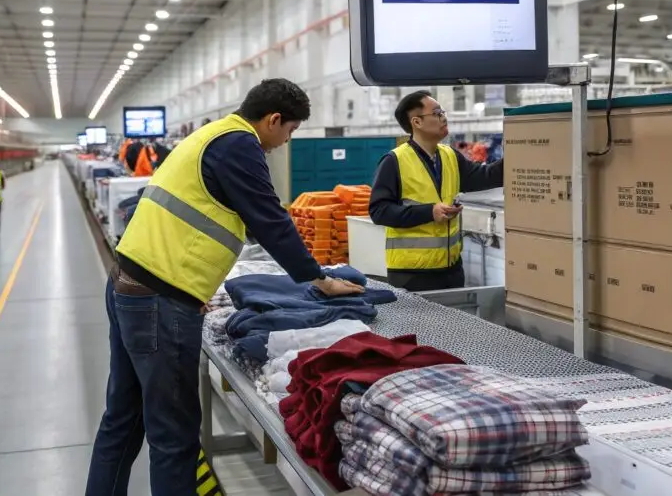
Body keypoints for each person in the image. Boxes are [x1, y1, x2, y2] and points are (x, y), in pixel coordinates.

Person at [85, 78, 364, 496]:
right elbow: (271, 221)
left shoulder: (211, 135)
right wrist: (319, 279)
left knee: (123, 419)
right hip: (160, 301)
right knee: (174, 435)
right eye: (289, 131)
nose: (286, 142)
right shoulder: (239, 144)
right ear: (273, 120)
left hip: (130, 284)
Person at [369, 90, 504, 292]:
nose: (444, 118)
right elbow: (379, 211)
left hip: (451, 270)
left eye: (443, 112)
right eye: (437, 113)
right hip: (412, 275)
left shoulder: (450, 156)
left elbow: (484, 176)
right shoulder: (394, 161)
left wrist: (519, 152)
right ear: (417, 122)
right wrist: (429, 212)